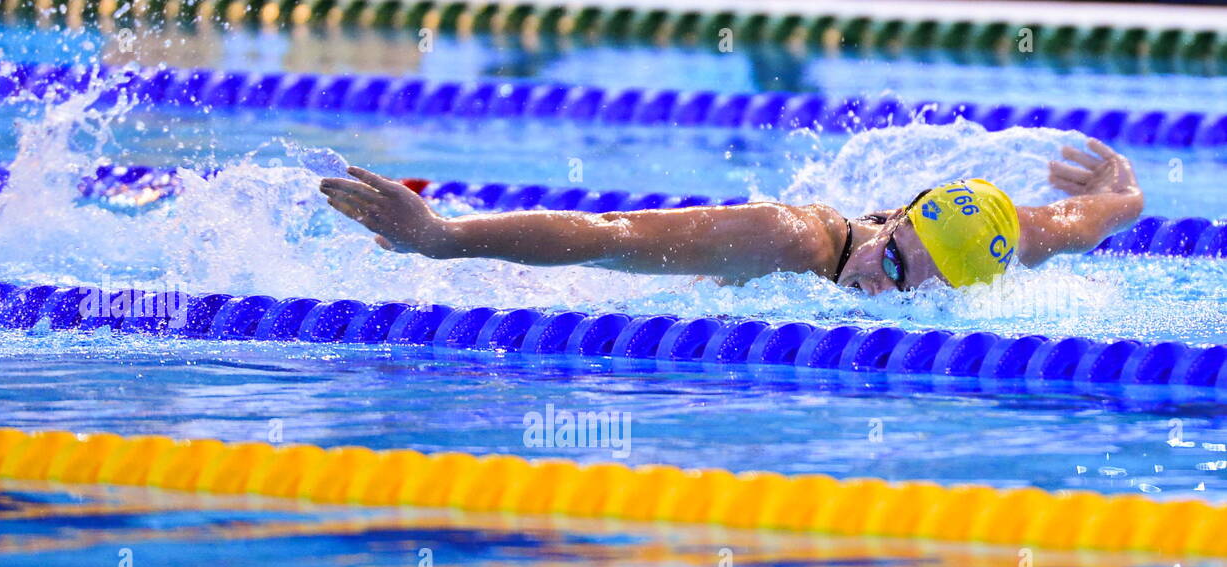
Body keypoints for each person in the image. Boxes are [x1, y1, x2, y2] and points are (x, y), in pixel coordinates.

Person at [319, 138, 1142, 295]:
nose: (894, 293)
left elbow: (1086, 217)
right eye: (894, 267)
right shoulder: (788, 241)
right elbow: (607, 240)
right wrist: (443, 238)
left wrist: (1122, 190)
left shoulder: (993, 243)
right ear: (892, 220)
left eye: (933, 290)